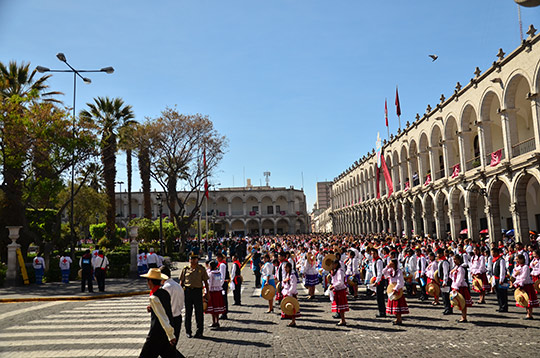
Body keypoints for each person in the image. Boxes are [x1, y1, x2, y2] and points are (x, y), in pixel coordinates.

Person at [139, 268, 181, 358]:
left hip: (156, 334)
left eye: (147, 280)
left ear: (150, 281)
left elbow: (163, 317)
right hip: (164, 333)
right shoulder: (164, 292)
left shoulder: (154, 297)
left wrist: (171, 335)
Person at [179, 253, 209, 339]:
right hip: (188, 292)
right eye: (191, 259)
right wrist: (180, 292)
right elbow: (181, 282)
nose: (193, 261)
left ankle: (199, 331)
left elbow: (206, 282)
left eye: (194, 259)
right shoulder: (185, 269)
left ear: (197, 260)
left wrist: (207, 293)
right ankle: (188, 331)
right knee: (188, 312)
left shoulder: (201, 269)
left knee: (199, 312)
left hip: (197, 291)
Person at [160, 265, 184, 345]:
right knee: (173, 344)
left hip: (169, 319)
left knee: (167, 345)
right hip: (178, 317)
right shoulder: (178, 286)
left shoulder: (166, 288)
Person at [512, 254, 539, 320]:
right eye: (516, 259)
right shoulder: (517, 267)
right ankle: (528, 313)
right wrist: (516, 275)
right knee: (524, 300)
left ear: (522, 259)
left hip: (526, 285)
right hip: (520, 285)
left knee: (529, 300)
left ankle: (529, 314)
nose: (517, 261)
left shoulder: (525, 267)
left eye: (518, 259)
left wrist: (520, 284)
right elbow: (514, 275)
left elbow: (524, 277)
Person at [382, 259, 409, 325]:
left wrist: (396, 289)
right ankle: (397, 319)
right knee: (394, 305)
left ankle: (399, 319)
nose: (391, 265)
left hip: (397, 289)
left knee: (398, 305)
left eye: (392, 264)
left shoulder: (398, 272)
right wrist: (387, 267)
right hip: (391, 288)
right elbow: (383, 272)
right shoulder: (390, 271)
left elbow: (400, 281)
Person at [451, 254, 472, 323]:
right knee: (460, 302)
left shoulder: (461, 269)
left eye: (455, 259)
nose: (454, 261)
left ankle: (464, 317)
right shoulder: (456, 267)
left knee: (463, 302)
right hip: (456, 285)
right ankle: (462, 316)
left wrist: (456, 286)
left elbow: (460, 278)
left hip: (461, 286)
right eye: (453, 259)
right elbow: (452, 276)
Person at [205, 260, 226, 328]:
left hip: (212, 291)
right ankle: (217, 321)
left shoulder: (211, 274)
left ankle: (214, 322)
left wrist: (206, 291)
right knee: (217, 307)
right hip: (218, 290)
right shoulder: (218, 273)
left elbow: (209, 283)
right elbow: (220, 281)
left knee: (213, 308)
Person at [281, 262, 300, 327]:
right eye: (285, 268)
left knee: (293, 308)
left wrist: (289, 292)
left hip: (290, 293)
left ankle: (293, 321)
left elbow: (293, 285)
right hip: (286, 292)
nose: (285, 269)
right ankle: (291, 320)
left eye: (286, 267)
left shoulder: (292, 276)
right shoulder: (287, 274)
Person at [330, 259, 348, 326]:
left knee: (341, 306)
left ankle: (343, 320)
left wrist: (334, 285)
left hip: (340, 289)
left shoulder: (339, 271)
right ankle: (342, 319)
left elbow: (340, 281)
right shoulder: (335, 271)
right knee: (339, 305)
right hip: (336, 289)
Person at [371, 248, 387, 318]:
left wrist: (377, 281)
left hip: (380, 280)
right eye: (371, 254)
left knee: (380, 296)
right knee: (378, 296)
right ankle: (381, 310)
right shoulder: (374, 261)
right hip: (377, 279)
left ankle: (382, 311)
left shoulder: (379, 261)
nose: (373, 255)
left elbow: (379, 272)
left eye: (374, 253)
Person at [492, 247, 509, 313]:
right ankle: (500, 306)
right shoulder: (495, 260)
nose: (492, 254)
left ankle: (504, 307)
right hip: (496, 278)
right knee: (498, 294)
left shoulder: (501, 260)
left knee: (503, 294)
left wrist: (501, 279)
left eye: (493, 252)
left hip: (500, 279)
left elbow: (502, 271)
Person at [437, 248, 452, 315]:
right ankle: (446, 307)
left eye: (438, 254)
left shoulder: (445, 262)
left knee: (446, 295)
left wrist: (444, 282)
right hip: (441, 280)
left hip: (445, 281)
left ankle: (448, 308)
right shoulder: (440, 261)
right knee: (443, 295)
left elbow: (446, 273)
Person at [216, 253, 230, 319]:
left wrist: (220, 285)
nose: (217, 259)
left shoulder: (222, 265)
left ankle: (224, 313)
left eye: (217, 258)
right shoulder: (222, 264)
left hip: (223, 284)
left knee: (223, 299)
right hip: (222, 283)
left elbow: (222, 276)